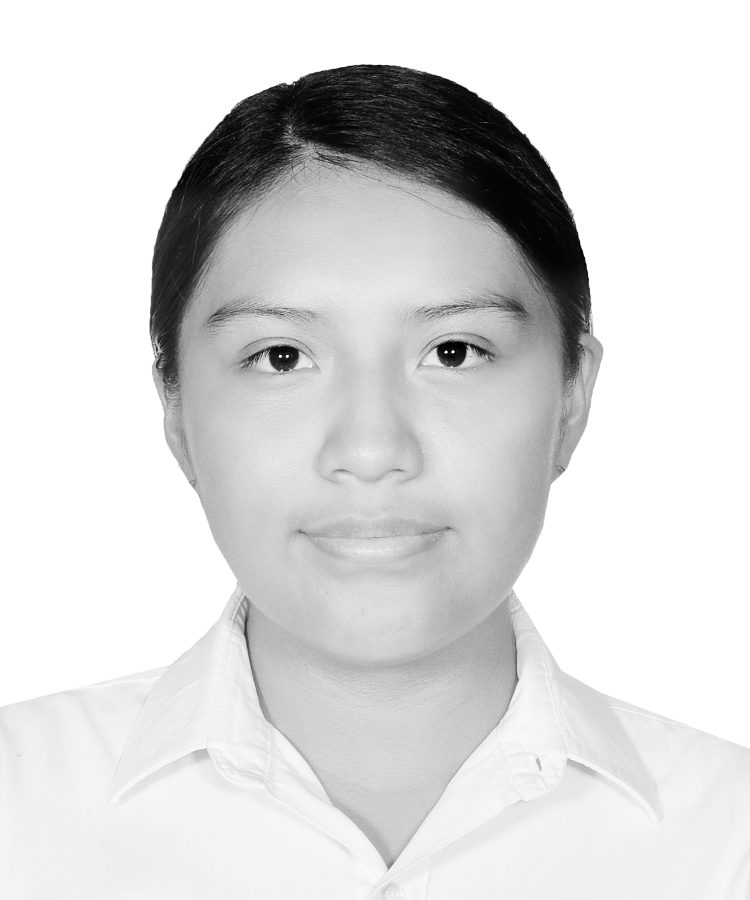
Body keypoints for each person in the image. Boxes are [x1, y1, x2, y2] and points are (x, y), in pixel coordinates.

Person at [1, 64, 748, 899]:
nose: (370, 448)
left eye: (454, 352)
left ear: (571, 397)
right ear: (176, 410)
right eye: (281, 357)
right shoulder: (18, 816)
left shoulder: (727, 840)